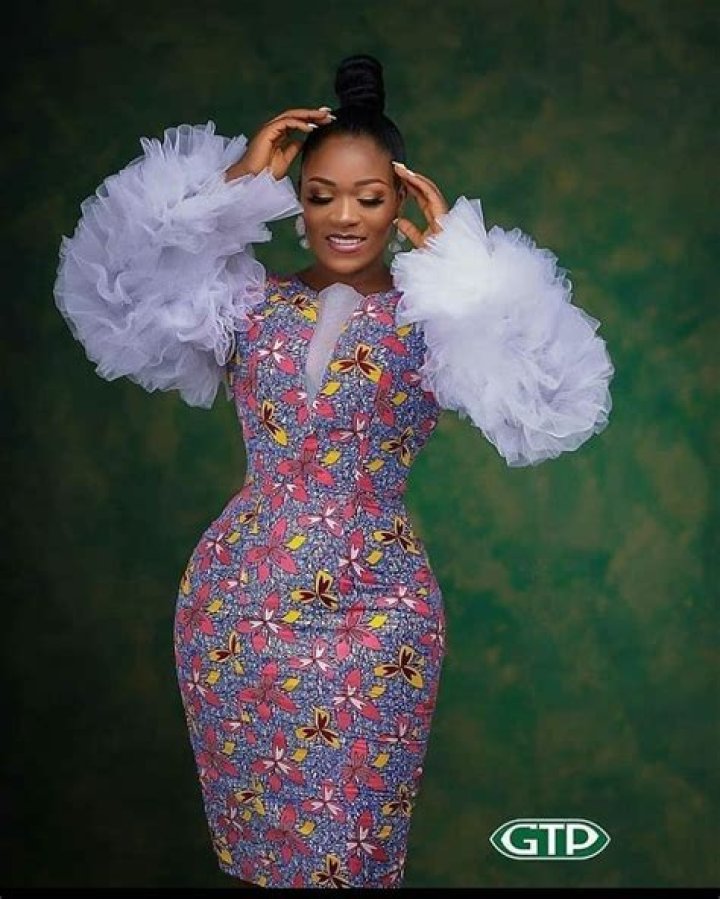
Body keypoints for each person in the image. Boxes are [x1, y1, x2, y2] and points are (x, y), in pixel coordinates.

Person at [53, 54, 614, 889]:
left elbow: (557, 396)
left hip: (379, 618)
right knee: (261, 863)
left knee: (353, 861)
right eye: (320, 195)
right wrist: (234, 186)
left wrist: (462, 263)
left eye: (370, 197)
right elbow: (117, 291)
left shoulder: (436, 322)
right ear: (296, 202)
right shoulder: (244, 305)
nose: (344, 216)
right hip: (237, 615)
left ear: (400, 202)